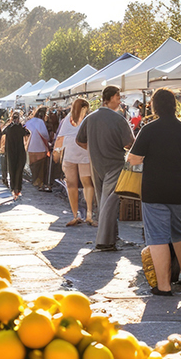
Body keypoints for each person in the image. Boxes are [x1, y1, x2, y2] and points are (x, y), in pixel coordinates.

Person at [129, 88, 181, 296]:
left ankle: (164, 286)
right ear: (174, 105)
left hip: (155, 190)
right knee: (179, 231)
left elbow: (134, 158)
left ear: (154, 106)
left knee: (158, 236)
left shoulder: (149, 129)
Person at [78, 86, 136, 252]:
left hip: (96, 163)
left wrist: (93, 149)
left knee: (103, 200)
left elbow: (80, 140)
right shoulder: (118, 119)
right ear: (110, 98)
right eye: (118, 97)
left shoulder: (90, 118)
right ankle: (104, 241)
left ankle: (111, 237)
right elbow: (129, 144)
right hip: (114, 163)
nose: (119, 100)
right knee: (109, 203)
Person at [56, 98, 97, 227]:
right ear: (84, 108)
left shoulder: (67, 119)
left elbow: (60, 138)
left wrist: (56, 152)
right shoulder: (88, 118)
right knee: (87, 184)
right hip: (84, 153)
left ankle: (75, 215)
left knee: (71, 185)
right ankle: (89, 214)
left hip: (70, 154)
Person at [0, 110, 30, 200]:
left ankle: (14, 189)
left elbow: (2, 132)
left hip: (10, 151)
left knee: (12, 169)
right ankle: (17, 189)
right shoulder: (21, 128)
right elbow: (28, 134)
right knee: (18, 170)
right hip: (20, 150)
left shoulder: (9, 127)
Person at [25, 106, 51, 191]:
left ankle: (35, 180)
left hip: (30, 147)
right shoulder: (40, 122)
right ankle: (40, 182)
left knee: (33, 165)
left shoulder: (29, 121)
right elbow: (44, 134)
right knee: (40, 165)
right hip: (40, 146)